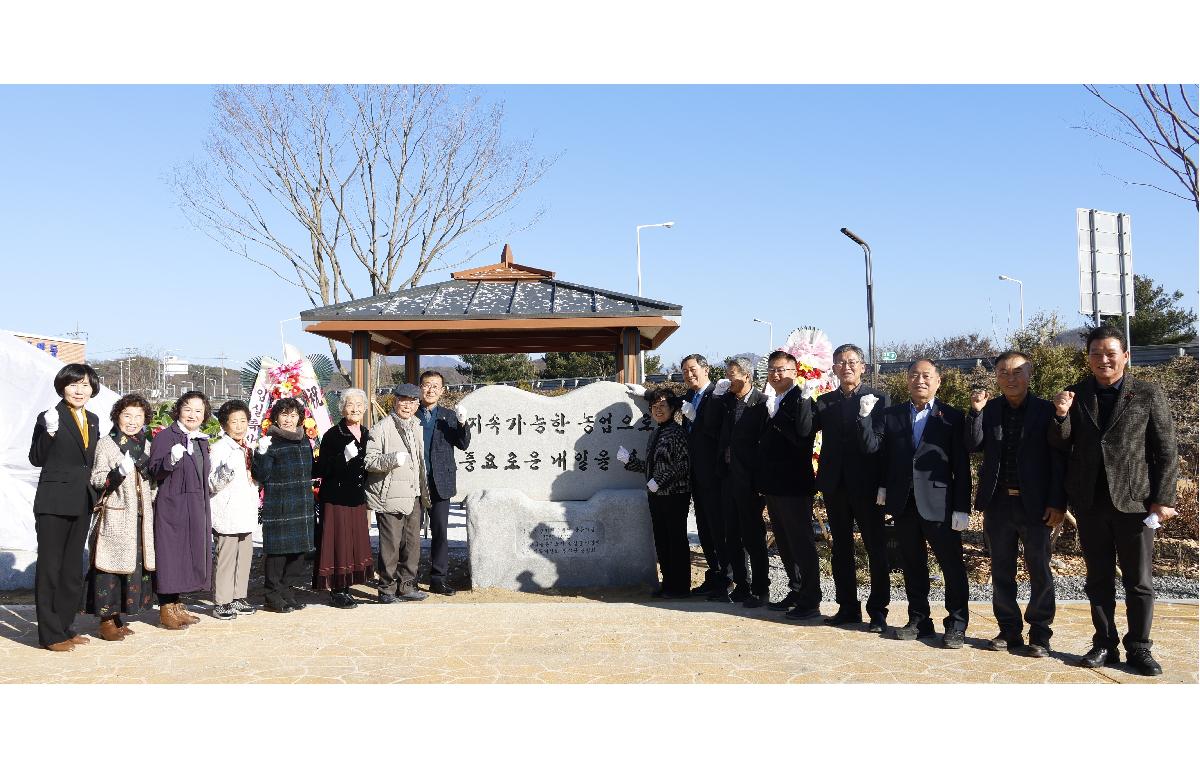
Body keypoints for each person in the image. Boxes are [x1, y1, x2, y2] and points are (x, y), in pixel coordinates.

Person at [1048, 326, 1178, 676]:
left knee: (1138, 581)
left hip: (1135, 503)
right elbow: (1060, 445)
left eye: (1110, 353)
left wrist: (1162, 499)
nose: (1103, 359)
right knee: (1098, 578)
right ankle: (1105, 643)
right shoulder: (1076, 394)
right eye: (1095, 353)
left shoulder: (1148, 393)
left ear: (1125, 356)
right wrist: (1060, 417)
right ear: (1087, 357)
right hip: (1090, 503)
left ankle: (1139, 647)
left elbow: (1166, 450)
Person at [858, 359, 971, 648]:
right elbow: (884, 456)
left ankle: (956, 624)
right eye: (913, 376)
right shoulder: (892, 414)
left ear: (938, 381)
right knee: (912, 564)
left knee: (951, 566)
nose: (919, 380)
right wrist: (883, 488)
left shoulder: (952, 417)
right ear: (906, 380)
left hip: (940, 504)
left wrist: (962, 508)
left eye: (926, 376)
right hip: (903, 502)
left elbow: (962, 465)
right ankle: (919, 620)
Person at [966, 351, 1066, 657]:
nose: (1011, 378)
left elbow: (1059, 458)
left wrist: (1057, 503)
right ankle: (1009, 630)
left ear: (1030, 374)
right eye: (1004, 373)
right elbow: (973, 445)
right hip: (998, 504)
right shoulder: (990, 409)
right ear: (996, 376)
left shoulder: (1046, 410)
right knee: (1001, 569)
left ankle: (1040, 633)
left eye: (1017, 372)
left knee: (1039, 569)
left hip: (1035, 505)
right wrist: (976, 413)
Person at [814, 343, 891, 632]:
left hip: (868, 486)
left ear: (863, 367)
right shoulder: (825, 402)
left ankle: (878, 611)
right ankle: (847, 607)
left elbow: (881, 446)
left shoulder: (879, 398)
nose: (846, 367)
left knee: (875, 548)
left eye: (852, 362)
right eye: (840, 362)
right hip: (835, 485)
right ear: (833, 368)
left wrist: (884, 483)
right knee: (841, 549)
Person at [29, 363, 101, 651]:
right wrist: (49, 432)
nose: (79, 390)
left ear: (92, 388)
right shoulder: (49, 416)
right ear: (62, 387)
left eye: (85, 385)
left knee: (72, 570)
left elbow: (89, 460)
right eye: (74, 384)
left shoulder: (93, 419)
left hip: (82, 501)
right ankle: (49, 635)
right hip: (53, 502)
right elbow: (36, 458)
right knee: (50, 569)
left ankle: (66, 626)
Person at [754, 350, 822, 620]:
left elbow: (804, 434)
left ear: (795, 372)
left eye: (782, 369)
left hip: (794, 483)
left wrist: (778, 415)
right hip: (773, 483)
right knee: (783, 541)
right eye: (772, 369)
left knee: (801, 542)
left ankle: (811, 598)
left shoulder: (802, 398)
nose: (776, 374)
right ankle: (796, 589)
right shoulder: (773, 399)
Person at [86, 394, 156, 640]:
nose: (133, 421)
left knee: (131, 568)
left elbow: (150, 480)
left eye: (139, 416)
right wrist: (118, 473)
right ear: (117, 416)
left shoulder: (145, 444)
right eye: (127, 415)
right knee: (110, 568)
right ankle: (105, 620)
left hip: (139, 518)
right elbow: (96, 478)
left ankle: (118, 617)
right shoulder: (107, 443)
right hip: (117, 516)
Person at [148, 390, 213, 630]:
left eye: (198, 410)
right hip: (172, 504)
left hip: (196, 505)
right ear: (178, 410)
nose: (192, 415)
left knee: (188, 554)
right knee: (171, 555)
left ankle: (177, 605)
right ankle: (165, 608)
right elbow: (154, 471)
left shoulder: (201, 440)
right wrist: (170, 460)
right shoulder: (166, 437)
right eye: (188, 409)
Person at [619, 388, 692, 598]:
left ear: (672, 409)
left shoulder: (677, 432)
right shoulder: (656, 432)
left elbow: (682, 465)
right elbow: (652, 466)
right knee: (662, 538)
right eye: (654, 407)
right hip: (657, 494)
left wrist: (658, 482)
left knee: (675, 539)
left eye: (662, 406)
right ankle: (668, 583)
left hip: (674, 494)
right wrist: (630, 462)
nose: (658, 410)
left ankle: (679, 587)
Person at [365, 383, 431, 603]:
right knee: (390, 545)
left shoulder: (417, 426)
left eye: (413, 401)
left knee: (412, 544)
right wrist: (392, 459)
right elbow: (369, 461)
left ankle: (407, 585)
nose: (408, 405)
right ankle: (386, 589)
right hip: (390, 495)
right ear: (395, 401)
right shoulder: (381, 428)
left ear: (417, 404)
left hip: (413, 495)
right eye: (403, 400)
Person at [252, 397, 316, 613]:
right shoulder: (270, 441)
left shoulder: (304, 440)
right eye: (284, 415)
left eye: (293, 415)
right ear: (276, 418)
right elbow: (261, 474)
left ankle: (287, 589)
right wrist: (261, 453)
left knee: (298, 555)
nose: (288, 420)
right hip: (279, 505)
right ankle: (272, 594)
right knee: (278, 555)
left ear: (300, 418)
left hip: (301, 504)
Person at [312, 388, 375, 608]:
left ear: (365, 408)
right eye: (350, 404)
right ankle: (337, 590)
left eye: (359, 404)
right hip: (336, 498)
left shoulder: (368, 433)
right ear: (342, 408)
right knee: (338, 542)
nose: (355, 408)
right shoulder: (333, 434)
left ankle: (348, 586)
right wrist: (343, 457)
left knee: (354, 543)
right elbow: (320, 469)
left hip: (357, 497)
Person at [715, 357, 769, 607]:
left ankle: (760, 588)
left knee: (753, 536)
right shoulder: (726, 401)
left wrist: (759, 482)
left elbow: (764, 446)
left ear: (747, 376)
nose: (728, 379)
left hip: (749, 480)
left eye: (732, 374)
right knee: (731, 534)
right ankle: (742, 584)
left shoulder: (762, 404)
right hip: (727, 477)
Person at [679, 354, 731, 597]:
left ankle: (727, 579)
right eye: (685, 372)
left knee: (719, 528)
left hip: (715, 474)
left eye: (692, 369)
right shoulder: (691, 396)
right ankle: (715, 574)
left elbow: (715, 430)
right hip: (696, 474)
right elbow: (670, 401)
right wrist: (645, 394)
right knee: (704, 529)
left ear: (705, 369)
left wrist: (695, 418)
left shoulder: (718, 394)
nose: (689, 375)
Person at [415, 371, 471, 596]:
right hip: (415, 482)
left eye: (435, 386)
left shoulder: (448, 416)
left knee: (440, 532)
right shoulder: (410, 414)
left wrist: (462, 422)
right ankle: (408, 577)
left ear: (443, 390)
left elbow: (463, 443)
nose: (430, 390)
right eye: (427, 385)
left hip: (441, 482)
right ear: (420, 388)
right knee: (410, 534)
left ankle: (438, 578)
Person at [208, 400, 261, 620]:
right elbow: (212, 483)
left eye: (243, 421)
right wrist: (227, 469)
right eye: (234, 422)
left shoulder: (247, 448)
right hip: (227, 513)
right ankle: (222, 601)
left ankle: (239, 597)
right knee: (226, 558)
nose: (239, 426)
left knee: (244, 557)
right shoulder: (220, 448)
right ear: (224, 425)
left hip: (245, 512)